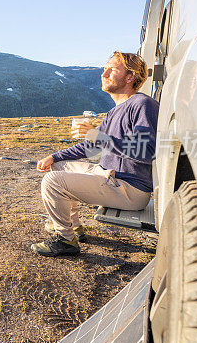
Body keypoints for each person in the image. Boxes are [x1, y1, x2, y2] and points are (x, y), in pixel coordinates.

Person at [31, 51, 159, 257]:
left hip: (129, 189)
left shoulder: (142, 105)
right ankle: (75, 227)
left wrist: (98, 137)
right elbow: (91, 148)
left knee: (53, 182)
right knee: (56, 167)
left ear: (130, 77)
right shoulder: (115, 111)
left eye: (113, 69)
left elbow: (146, 151)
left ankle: (65, 240)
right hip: (108, 175)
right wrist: (55, 156)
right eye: (105, 67)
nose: (104, 72)